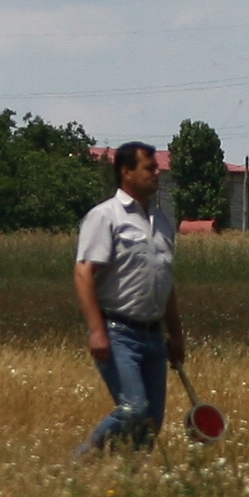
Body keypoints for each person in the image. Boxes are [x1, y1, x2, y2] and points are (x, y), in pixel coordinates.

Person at [72, 141, 183, 455]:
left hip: (154, 337)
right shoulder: (105, 216)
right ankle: (81, 461)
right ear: (126, 172)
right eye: (150, 168)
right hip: (118, 334)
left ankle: (129, 476)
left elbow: (165, 281)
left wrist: (176, 335)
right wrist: (97, 331)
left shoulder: (162, 222)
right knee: (134, 409)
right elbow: (83, 273)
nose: (157, 173)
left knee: (151, 424)